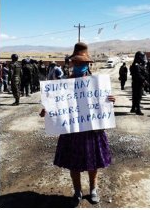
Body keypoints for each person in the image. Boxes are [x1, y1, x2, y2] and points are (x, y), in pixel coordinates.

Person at [40, 43, 115, 206]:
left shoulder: (97, 84)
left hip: (92, 130)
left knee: (93, 162)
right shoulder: (63, 84)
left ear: (89, 64)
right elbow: (56, 104)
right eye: (77, 62)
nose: (80, 65)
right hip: (72, 130)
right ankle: (77, 191)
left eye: (83, 63)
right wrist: (47, 110)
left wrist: (110, 100)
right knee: (73, 164)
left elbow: (101, 104)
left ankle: (93, 190)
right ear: (72, 63)